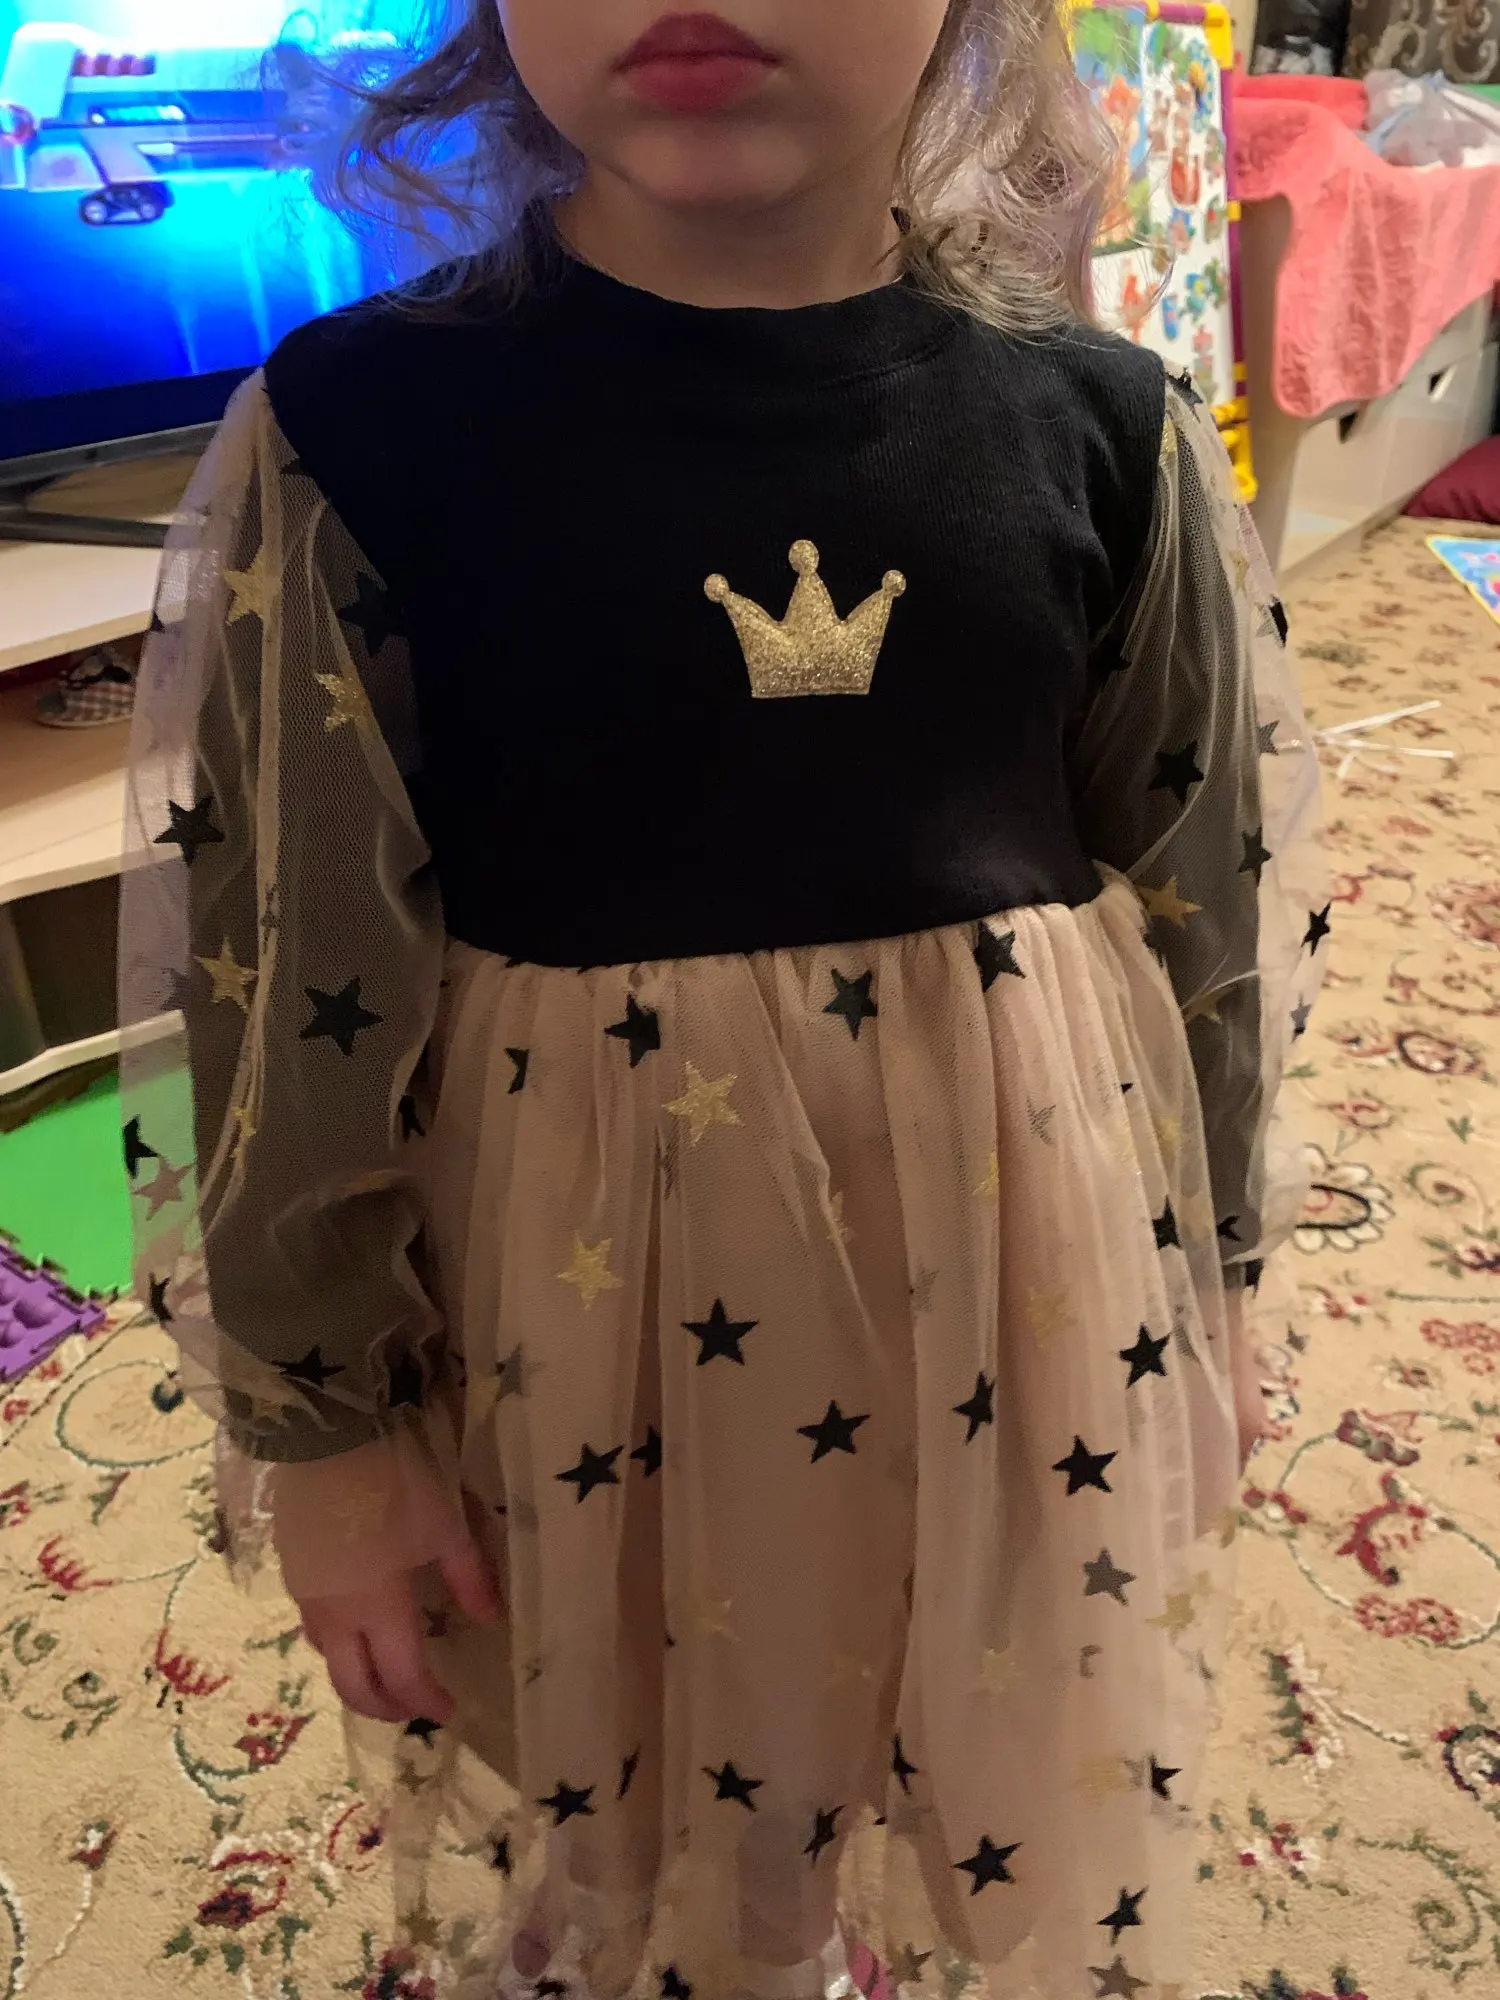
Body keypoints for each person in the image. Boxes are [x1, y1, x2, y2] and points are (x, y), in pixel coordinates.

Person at [119, 3, 1328, 1996]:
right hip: (573, 1301)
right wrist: (323, 1430)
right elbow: (286, 971)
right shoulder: (362, 429)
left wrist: (1223, 1282)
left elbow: (1207, 902)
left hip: (1004, 1278)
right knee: (635, 1742)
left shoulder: (1106, 422)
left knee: (941, 1678)